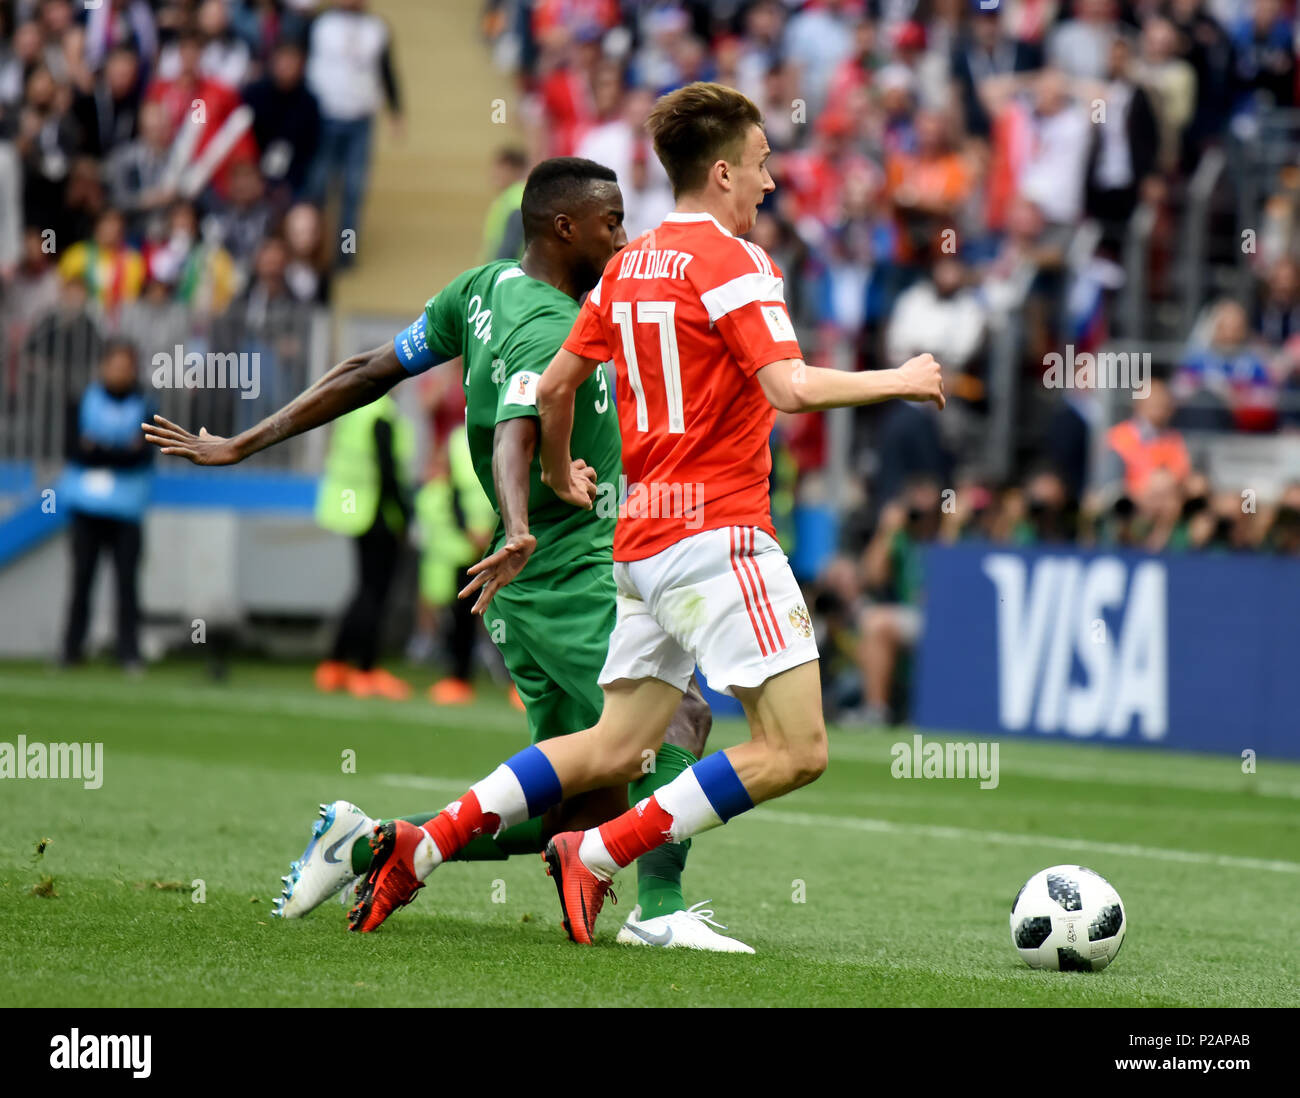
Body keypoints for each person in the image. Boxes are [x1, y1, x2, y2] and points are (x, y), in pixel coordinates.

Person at [335, 82, 943, 946]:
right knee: (798, 749)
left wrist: (558, 470)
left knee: (616, 747)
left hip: (638, 544)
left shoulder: (629, 264)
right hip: (718, 534)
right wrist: (901, 379)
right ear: (723, 172)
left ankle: (423, 843)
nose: (770, 182)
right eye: (762, 164)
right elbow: (789, 387)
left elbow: (553, 385)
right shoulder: (737, 262)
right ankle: (600, 854)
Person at [144, 156, 737, 951]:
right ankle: (659, 912)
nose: (623, 239)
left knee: (576, 807)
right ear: (566, 229)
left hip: (536, 580)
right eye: (611, 224)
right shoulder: (546, 327)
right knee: (680, 715)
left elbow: (368, 369)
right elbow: (516, 432)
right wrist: (520, 522)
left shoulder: (481, 291)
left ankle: (363, 845)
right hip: (570, 574)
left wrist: (248, 440)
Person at [312, 393, 415, 701]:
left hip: (353, 509)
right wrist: (405, 515)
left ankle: (335, 664)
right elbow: (387, 471)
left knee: (364, 590)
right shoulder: (382, 415)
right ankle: (366, 670)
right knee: (375, 594)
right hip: (375, 512)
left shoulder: (357, 409)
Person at [59, 339, 154, 670]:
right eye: (114, 365)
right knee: (82, 580)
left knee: (127, 584)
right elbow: (74, 449)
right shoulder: (82, 400)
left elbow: (142, 456)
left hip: (127, 508)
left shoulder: (145, 406)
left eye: (125, 367)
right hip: (86, 506)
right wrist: (120, 450)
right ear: (103, 367)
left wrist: (98, 449)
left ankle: (128, 652)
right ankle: (71, 650)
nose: (119, 372)